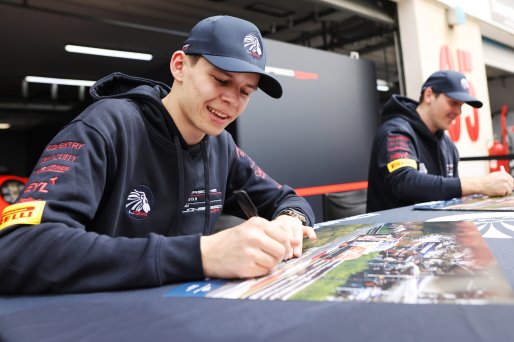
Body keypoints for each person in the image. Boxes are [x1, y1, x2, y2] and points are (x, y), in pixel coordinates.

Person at [0, 15, 316, 294]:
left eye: (246, 91)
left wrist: (291, 220)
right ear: (180, 66)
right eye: (221, 80)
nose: (232, 100)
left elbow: (286, 198)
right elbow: (18, 248)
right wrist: (202, 255)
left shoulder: (220, 146)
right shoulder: (107, 126)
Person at [366, 70, 514, 212]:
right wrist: (480, 184)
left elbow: (449, 194)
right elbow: (404, 181)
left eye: (461, 105)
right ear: (429, 95)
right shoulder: (396, 131)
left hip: (433, 231)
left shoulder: (447, 145)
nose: (458, 112)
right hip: (391, 234)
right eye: (453, 102)